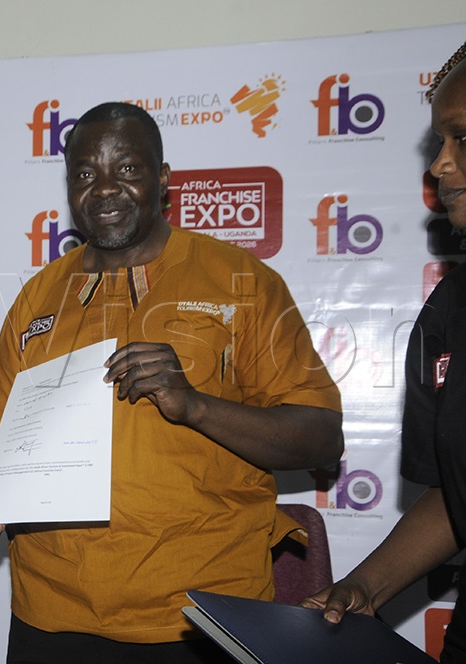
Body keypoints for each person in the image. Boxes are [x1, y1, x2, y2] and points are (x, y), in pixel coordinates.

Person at [0, 101, 344, 663]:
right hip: (52, 616)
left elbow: (322, 437)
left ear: (164, 179)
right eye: (85, 174)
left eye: (127, 169)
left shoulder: (243, 281)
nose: (105, 189)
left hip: (203, 615)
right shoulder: (37, 296)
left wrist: (196, 407)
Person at [300, 42, 466, 662]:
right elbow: (455, 496)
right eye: (439, 144)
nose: (442, 167)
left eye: (461, 139)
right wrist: (367, 586)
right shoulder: (449, 310)